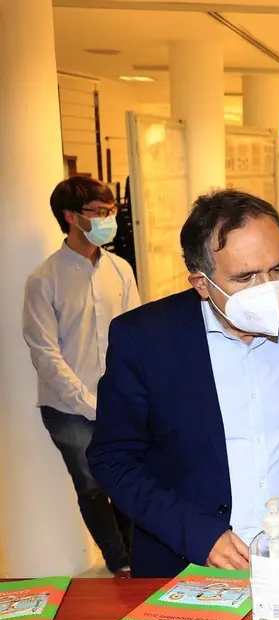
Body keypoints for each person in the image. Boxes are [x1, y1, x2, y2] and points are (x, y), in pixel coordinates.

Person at [88, 189, 279, 579]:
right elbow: (113, 459)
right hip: (189, 563)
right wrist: (200, 535)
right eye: (246, 277)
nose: (268, 289)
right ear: (201, 283)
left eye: (278, 269)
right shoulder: (145, 339)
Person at [23, 177, 140, 577]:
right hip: (68, 409)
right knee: (91, 486)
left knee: (127, 478)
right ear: (71, 217)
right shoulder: (45, 279)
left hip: (119, 400)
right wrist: (87, 402)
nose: (108, 219)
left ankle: (137, 557)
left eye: (111, 211)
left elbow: (135, 334)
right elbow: (44, 352)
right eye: (98, 212)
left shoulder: (121, 270)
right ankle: (119, 562)